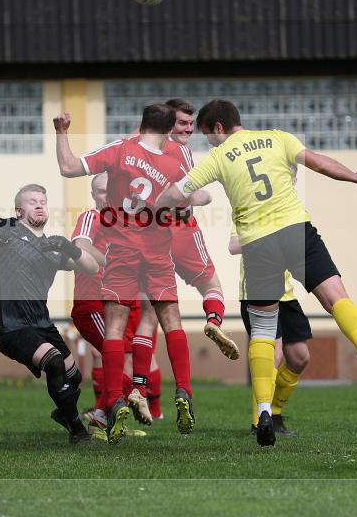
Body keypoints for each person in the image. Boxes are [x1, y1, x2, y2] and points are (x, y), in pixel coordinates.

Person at [159, 99, 357, 447]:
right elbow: (319, 162)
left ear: (217, 128)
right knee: (337, 297)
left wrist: (149, 205)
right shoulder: (278, 138)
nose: (210, 143)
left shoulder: (217, 157)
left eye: (208, 136)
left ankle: (262, 409)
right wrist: (354, 175)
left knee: (262, 331)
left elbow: (175, 192)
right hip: (295, 228)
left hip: (258, 243)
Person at [54, 104, 210, 444]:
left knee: (114, 328)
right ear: (169, 130)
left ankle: (113, 401)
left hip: (121, 254)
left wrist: (62, 131)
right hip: (157, 253)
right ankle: (183, 390)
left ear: (140, 123)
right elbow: (195, 197)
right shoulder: (176, 159)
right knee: (170, 321)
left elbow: (68, 168)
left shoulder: (119, 149)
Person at [0, 184, 100, 445]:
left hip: (41, 324)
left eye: (43, 200)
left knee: (74, 377)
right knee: (53, 362)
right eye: (32, 201)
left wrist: (69, 247)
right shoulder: (4, 228)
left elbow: (92, 268)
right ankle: (77, 429)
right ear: (19, 210)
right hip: (8, 325)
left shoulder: (52, 247)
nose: (40, 204)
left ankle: (62, 412)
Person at [126, 99, 239, 426]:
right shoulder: (176, 151)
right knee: (211, 286)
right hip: (180, 230)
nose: (187, 130)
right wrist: (202, 196)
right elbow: (191, 193)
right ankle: (214, 323)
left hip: (148, 238)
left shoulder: (136, 146)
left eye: (191, 125)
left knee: (149, 316)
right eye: (182, 124)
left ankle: (138, 388)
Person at [69, 173, 152, 430]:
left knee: (121, 359)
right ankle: (106, 414)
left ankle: (103, 416)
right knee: (120, 358)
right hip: (93, 303)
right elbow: (80, 246)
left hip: (118, 305)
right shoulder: (91, 217)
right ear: (94, 195)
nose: (107, 195)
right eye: (101, 191)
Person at [229, 231, 304, 437]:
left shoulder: (284, 213)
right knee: (274, 357)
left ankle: (275, 412)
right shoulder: (248, 212)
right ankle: (260, 422)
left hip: (287, 295)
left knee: (300, 357)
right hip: (259, 292)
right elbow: (233, 246)